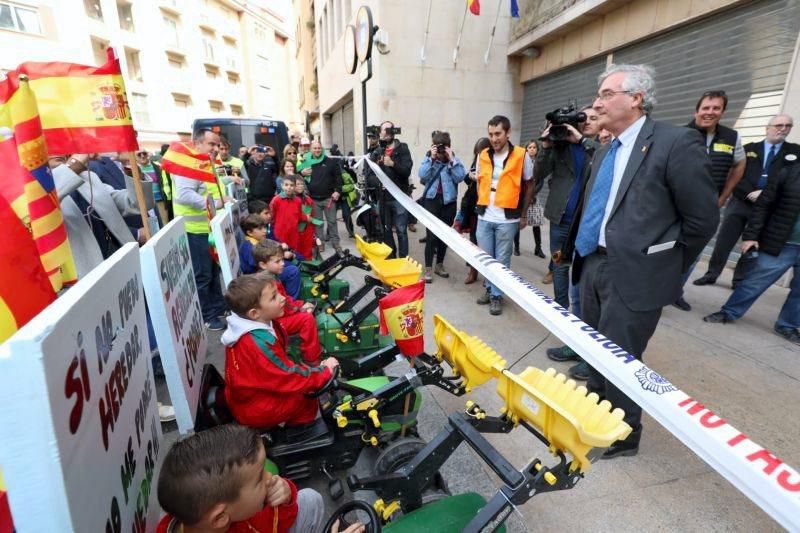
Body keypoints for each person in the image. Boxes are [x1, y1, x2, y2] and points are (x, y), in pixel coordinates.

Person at [561, 64, 718, 458]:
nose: (597, 102)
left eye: (607, 94)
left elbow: (702, 220)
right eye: (598, 94)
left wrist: (661, 258)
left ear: (637, 98)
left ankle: (623, 435)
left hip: (634, 274)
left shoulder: (675, 142)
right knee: (595, 353)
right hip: (592, 264)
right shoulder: (604, 147)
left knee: (621, 360)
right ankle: (596, 417)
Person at [156, 423, 325, 533]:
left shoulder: (227, 513)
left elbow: (275, 520)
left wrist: (285, 495)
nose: (270, 477)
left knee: (310, 500)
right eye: (259, 478)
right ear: (220, 518)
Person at [221, 272, 338, 428]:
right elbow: (289, 377)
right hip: (255, 408)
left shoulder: (256, 323)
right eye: (274, 297)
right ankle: (300, 439)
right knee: (306, 397)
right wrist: (324, 371)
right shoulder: (259, 344)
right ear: (255, 313)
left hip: (246, 398)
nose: (282, 298)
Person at [695, 115, 799, 287]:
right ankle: (712, 273)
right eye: (778, 125)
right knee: (724, 240)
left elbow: (792, 180)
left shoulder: (794, 152)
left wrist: (766, 193)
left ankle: (739, 279)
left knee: (751, 244)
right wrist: (749, 192)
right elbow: (736, 174)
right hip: (741, 203)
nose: (783, 129)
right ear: (767, 128)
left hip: (767, 207)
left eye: (788, 126)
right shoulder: (750, 148)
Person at [703, 159, 799, 344]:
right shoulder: (789, 173)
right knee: (754, 282)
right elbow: (763, 205)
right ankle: (729, 312)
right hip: (781, 242)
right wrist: (751, 235)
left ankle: (787, 325)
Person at [673, 89, 746, 311]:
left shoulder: (731, 137)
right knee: (664, 252)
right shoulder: (679, 134)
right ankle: (650, 292)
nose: (710, 112)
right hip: (674, 208)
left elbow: (739, 165)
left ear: (723, 112)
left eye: (716, 108)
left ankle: (675, 293)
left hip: (706, 210)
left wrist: (723, 197)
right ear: (697, 110)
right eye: (706, 107)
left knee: (692, 255)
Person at [535, 105, 601, 311]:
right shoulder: (559, 146)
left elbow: (600, 162)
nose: (586, 122)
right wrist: (545, 146)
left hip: (586, 223)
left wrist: (581, 141)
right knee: (560, 266)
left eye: (592, 118)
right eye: (584, 119)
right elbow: (539, 173)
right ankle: (561, 310)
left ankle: (580, 316)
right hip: (561, 219)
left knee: (582, 271)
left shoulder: (601, 147)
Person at [475, 115, 535, 316]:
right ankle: (489, 288)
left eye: (498, 134)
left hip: (507, 218)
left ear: (508, 133)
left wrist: (524, 214)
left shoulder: (521, 154)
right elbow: (479, 181)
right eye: (491, 134)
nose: (494, 138)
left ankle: (496, 295)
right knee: (485, 258)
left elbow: (529, 184)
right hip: (485, 215)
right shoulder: (483, 154)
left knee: (501, 260)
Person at [172, 128, 229, 331]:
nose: (215, 148)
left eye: (216, 144)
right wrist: (214, 204)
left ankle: (217, 306)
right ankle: (207, 315)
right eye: (211, 144)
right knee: (202, 275)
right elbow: (183, 195)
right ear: (197, 144)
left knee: (213, 270)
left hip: (207, 228)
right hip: (194, 230)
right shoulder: (189, 165)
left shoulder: (204, 163)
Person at [254, 240, 323, 364]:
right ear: (263, 265)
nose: (282, 264)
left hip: (272, 319)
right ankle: (312, 359)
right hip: (274, 323)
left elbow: (284, 298)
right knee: (307, 319)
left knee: (305, 311)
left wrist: (299, 304)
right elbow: (283, 305)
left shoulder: (269, 277)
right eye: (277, 261)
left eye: (282, 260)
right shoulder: (270, 283)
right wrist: (299, 308)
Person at [418, 131, 466, 282]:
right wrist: (431, 159)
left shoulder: (453, 160)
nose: (439, 151)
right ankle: (428, 269)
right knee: (431, 236)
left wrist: (451, 160)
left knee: (444, 237)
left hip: (448, 203)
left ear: (448, 147)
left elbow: (460, 177)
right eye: (436, 147)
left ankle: (439, 265)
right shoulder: (429, 159)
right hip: (432, 201)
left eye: (442, 148)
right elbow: (422, 175)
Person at [370, 121, 414, 258]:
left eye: (390, 129)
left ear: (394, 131)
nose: (387, 132)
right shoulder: (377, 152)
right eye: (384, 129)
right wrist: (379, 183)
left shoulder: (402, 148)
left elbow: (406, 171)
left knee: (401, 230)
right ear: (380, 132)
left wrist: (393, 164)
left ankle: (404, 259)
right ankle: (391, 257)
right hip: (383, 197)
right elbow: (369, 175)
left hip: (399, 197)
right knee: (386, 230)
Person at [455, 137, 491, 284]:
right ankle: (473, 271)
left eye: (480, 152)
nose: (478, 155)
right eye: (476, 153)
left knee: (485, 243)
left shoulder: (492, 163)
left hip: (486, 207)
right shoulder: (476, 160)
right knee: (474, 240)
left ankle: (487, 275)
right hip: (471, 206)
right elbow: (467, 179)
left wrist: (480, 179)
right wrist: (470, 176)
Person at [301, 140, 343, 254]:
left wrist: (338, 191)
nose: (317, 150)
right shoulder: (306, 162)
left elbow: (339, 178)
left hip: (329, 198)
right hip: (313, 199)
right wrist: (301, 173)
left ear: (322, 149)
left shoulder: (330, 162)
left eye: (319, 148)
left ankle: (336, 243)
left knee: (332, 222)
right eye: (314, 148)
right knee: (317, 223)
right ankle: (320, 243)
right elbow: (297, 176)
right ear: (311, 150)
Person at [520, 140, 546, 259]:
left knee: (537, 223)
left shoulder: (540, 163)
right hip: (523, 195)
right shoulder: (521, 161)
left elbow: (540, 181)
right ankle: (516, 246)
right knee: (518, 221)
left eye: (534, 147)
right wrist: (526, 195)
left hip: (534, 196)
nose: (532, 149)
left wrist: (533, 194)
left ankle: (538, 248)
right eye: (529, 147)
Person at [270, 175, 304, 254]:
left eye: (292, 185)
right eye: (286, 185)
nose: (289, 187)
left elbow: (299, 215)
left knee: (293, 253)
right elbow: (271, 216)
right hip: (280, 233)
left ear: (295, 186)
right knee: (282, 253)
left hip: (293, 233)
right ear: (282, 185)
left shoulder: (298, 200)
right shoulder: (276, 200)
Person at [135, 150, 170, 226]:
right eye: (139, 154)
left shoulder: (157, 167)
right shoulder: (134, 170)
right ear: (135, 157)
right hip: (145, 204)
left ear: (147, 154)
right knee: (152, 227)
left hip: (160, 201)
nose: (142, 156)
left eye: (144, 153)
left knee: (165, 225)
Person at [294, 177, 317, 259]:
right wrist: (304, 217)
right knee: (296, 253)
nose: (300, 186)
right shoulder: (289, 200)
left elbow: (312, 216)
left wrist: (314, 233)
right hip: (295, 231)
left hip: (307, 230)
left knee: (308, 253)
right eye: (297, 184)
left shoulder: (308, 199)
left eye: (302, 184)